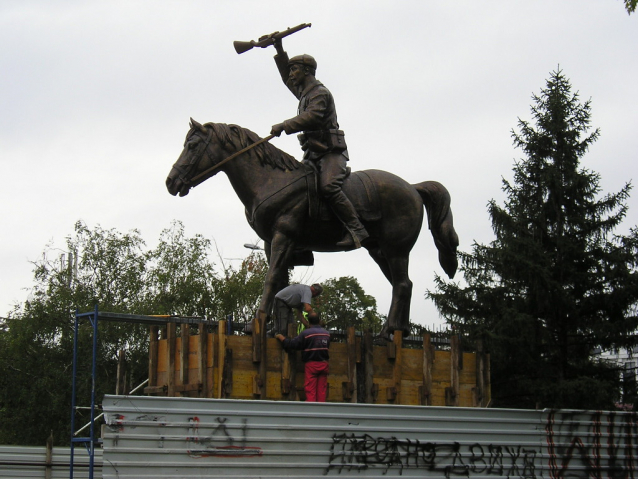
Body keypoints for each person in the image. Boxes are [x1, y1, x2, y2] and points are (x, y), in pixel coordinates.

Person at [269, 38, 369, 249]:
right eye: (291, 70)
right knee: (297, 188)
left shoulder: (319, 94)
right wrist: (279, 49)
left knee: (329, 187)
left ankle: (357, 230)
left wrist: (284, 125)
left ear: (306, 71)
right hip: (313, 153)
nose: (291, 74)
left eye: (294, 70)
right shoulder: (304, 93)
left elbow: (313, 116)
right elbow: (286, 79)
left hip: (330, 153)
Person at [276, 312, 330, 402]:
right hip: (324, 365)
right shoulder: (326, 334)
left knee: (310, 391)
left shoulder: (306, 334)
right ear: (319, 320)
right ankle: (321, 408)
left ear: (309, 322)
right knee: (322, 391)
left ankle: (311, 409)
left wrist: (281, 337)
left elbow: (292, 344)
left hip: (312, 365)